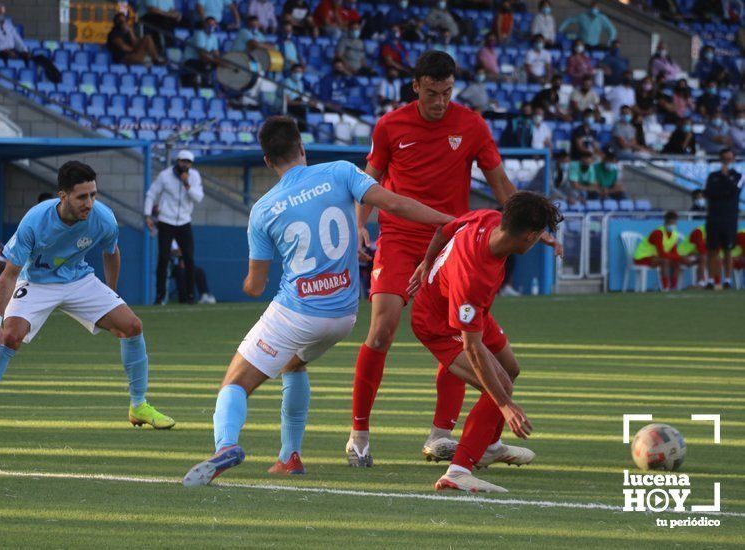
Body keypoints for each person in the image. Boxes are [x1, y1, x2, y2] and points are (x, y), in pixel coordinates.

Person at [182, 116, 454, 485]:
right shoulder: (341, 171)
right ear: (302, 147)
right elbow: (395, 203)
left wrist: (247, 281)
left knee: (234, 384)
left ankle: (224, 446)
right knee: (293, 365)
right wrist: (448, 221)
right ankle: (289, 457)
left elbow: (255, 285)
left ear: (266, 160)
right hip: (344, 313)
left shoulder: (263, 209)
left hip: (298, 311)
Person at [346, 51, 561, 467]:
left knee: (463, 331)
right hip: (400, 238)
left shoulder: (471, 125)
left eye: (447, 92)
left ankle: (442, 435)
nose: (440, 102)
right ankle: (359, 433)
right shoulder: (391, 125)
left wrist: (536, 224)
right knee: (383, 327)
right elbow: (367, 180)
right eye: (432, 93)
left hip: (451, 244)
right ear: (415, 87)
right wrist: (360, 223)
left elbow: (500, 183)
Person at [0, 161, 174, 436]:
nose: (89, 203)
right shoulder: (35, 221)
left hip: (78, 279)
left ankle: (139, 405)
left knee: (132, 326)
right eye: (82, 196)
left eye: (93, 194)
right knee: (8, 338)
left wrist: (111, 293)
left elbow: (111, 251)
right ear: (63, 196)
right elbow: (9, 275)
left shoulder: (103, 218)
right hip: (37, 282)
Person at [407, 192, 561, 492]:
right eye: (540, 234)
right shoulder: (473, 276)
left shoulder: (488, 217)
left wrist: (426, 262)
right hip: (439, 324)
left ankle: (489, 446)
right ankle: (459, 471)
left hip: (470, 310)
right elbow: (472, 347)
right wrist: (505, 405)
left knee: (510, 369)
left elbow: (444, 229)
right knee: (499, 387)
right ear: (528, 236)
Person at [144, 150, 204, 305]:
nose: (185, 164)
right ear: (177, 161)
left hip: (184, 222)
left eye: (188, 162)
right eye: (183, 161)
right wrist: (147, 215)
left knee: (189, 259)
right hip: (166, 221)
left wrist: (187, 184)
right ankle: (159, 296)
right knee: (163, 259)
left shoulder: (194, 176)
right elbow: (151, 194)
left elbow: (198, 198)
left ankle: (190, 296)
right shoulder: (165, 175)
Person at [0, 3, 60, 83]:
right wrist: (7, 51)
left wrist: (24, 51)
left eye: (1, 13)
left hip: (13, 51)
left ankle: (56, 78)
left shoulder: (8, 24)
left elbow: (17, 39)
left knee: (40, 57)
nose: (0, 15)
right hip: (0, 53)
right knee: (11, 56)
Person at [704, 148, 744, 289]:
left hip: (729, 219)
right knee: (712, 250)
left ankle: (727, 279)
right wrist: (723, 188)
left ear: (733, 159)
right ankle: (711, 279)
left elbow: (734, 191)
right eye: (724, 158)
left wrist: (725, 178)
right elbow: (709, 193)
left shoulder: (738, 176)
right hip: (714, 217)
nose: (727, 161)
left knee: (728, 250)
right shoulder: (713, 176)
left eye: (729, 158)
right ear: (720, 159)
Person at [633, 210, 694, 291]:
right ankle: (665, 287)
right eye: (669, 223)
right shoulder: (658, 233)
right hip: (641, 257)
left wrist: (681, 259)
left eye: (673, 223)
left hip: (655, 257)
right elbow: (662, 254)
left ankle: (673, 287)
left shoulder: (675, 234)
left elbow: (674, 252)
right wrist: (681, 258)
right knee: (665, 261)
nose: (671, 225)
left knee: (676, 262)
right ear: (665, 223)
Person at [182, 17, 221, 88]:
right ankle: (203, 85)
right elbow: (202, 55)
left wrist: (220, 62)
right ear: (205, 25)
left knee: (216, 65)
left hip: (203, 62)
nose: (211, 26)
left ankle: (211, 86)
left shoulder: (214, 37)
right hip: (190, 61)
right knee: (207, 64)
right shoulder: (199, 34)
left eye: (213, 24)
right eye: (209, 24)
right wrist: (216, 60)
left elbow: (217, 55)